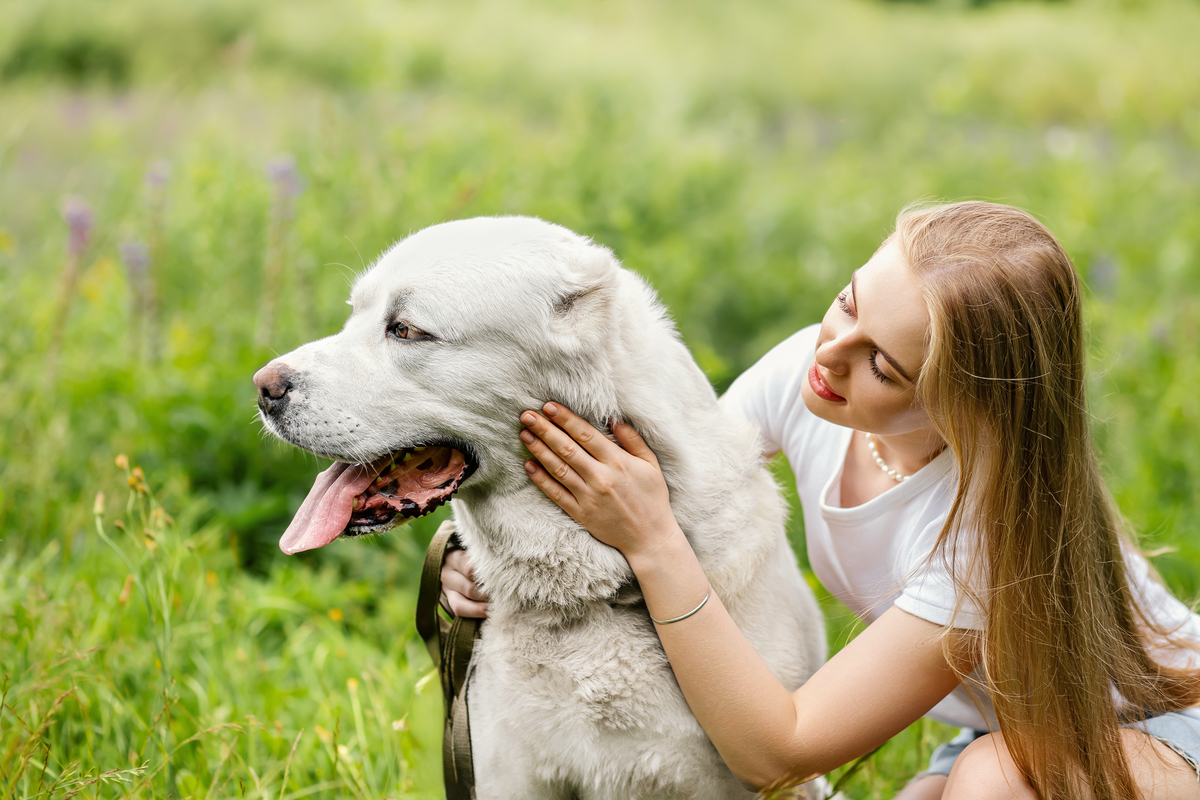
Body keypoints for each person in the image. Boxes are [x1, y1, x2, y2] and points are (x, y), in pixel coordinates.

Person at [440, 201, 1200, 799]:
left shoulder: (981, 542)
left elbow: (779, 753)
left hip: (1163, 733)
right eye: (848, 302)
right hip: (1013, 731)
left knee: (990, 786)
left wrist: (652, 544)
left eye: (883, 364)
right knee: (982, 775)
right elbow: (677, 499)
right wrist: (489, 563)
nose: (829, 354)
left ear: (969, 409)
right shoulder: (808, 373)